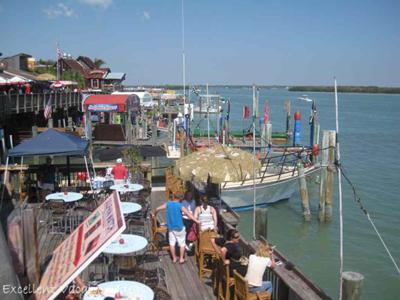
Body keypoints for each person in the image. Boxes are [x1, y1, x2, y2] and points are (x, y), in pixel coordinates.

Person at [152, 192, 199, 264]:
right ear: (180, 198)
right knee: (182, 243)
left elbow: (157, 208)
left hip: (171, 227)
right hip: (179, 227)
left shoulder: (168, 204)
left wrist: (154, 214)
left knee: (172, 243)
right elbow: (189, 214)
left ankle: (174, 258)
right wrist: (196, 221)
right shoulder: (180, 205)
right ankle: (181, 259)